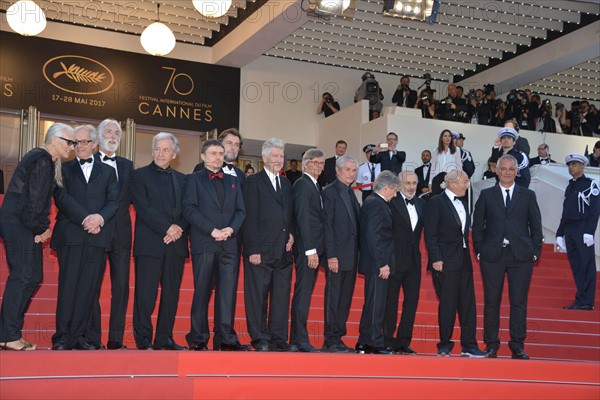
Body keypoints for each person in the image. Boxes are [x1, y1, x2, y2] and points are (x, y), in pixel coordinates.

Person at [0, 123, 75, 351]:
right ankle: (6, 335)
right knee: (23, 275)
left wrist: (39, 227)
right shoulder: (42, 158)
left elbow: (38, 200)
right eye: (68, 141)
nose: (72, 147)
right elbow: (34, 200)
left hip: (24, 223)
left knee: (33, 276)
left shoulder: (46, 161)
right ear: (53, 139)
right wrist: (41, 229)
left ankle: (10, 332)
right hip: (18, 224)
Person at [51, 125, 119, 350]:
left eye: (84, 142)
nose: (79, 146)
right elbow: (62, 198)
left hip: (97, 238)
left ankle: (78, 338)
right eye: (75, 142)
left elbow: (113, 202)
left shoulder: (109, 172)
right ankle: (62, 337)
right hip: (71, 235)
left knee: (88, 290)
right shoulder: (63, 167)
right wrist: (86, 218)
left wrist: (99, 218)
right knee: (68, 287)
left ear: (94, 144)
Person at [473, 155, 543, 360]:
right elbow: (477, 227)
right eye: (503, 168)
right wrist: (479, 250)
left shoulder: (528, 195)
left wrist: (535, 251)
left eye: (511, 169)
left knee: (519, 302)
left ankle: (517, 345)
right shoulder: (486, 195)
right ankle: (491, 344)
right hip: (492, 256)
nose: (506, 172)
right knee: (491, 302)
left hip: (520, 256)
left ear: (517, 172)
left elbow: (536, 226)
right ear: (496, 170)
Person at [183, 140, 247, 351]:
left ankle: (226, 339)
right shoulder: (193, 179)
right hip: (205, 242)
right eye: (213, 153)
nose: (218, 157)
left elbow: (241, 211)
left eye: (221, 153)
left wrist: (230, 230)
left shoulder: (233, 180)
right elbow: (190, 210)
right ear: (202, 156)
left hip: (229, 244)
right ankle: (199, 338)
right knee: (202, 291)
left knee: (227, 293)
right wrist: (212, 230)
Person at [130, 132, 189, 350]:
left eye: (166, 150)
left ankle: (165, 338)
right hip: (150, 244)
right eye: (157, 149)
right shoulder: (138, 176)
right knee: (145, 294)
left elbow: (189, 209)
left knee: (171, 294)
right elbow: (144, 208)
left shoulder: (184, 179)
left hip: (176, 244)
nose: (161, 153)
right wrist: (168, 227)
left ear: (174, 154)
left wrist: (179, 228)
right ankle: (143, 338)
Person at [424, 170, 486, 358]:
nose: (468, 185)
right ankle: (444, 344)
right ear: (452, 182)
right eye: (465, 181)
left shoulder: (463, 202)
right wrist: (436, 259)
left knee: (468, 304)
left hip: (464, 259)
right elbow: (430, 233)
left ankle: (469, 345)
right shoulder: (436, 202)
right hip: (445, 261)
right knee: (448, 304)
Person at [243, 138, 295, 352]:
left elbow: (288, 214)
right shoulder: (253, 182)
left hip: (283, 250)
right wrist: (252, 249)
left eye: (281, 156)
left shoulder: (286, 183)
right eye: (274, 156)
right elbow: (249, 217)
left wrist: (291, 233)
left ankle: (278, 338)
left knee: (281, 297)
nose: (279, 159)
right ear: (264, 158)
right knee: (257, 296)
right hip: (261, 250)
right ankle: (259, 337)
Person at [87, 118, 133, 350]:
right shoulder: (87, 162)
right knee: (92, 285)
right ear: (98, 136)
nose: (113, 135)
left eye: (117, 132)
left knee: (121, 288)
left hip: (122, 234)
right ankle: (92, 337)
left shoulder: (127, 165)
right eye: (108, 131)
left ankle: (116, 339)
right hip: (95, 231)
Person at [355, 171, 400, 355]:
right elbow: (373, 236)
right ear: (387, 187)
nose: (396, 194)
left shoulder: (375, 202)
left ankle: (364, 341)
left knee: (373, 303)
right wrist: (382, 263)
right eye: (395, 190)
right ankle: (374, 342)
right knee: (376, 304)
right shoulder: (376, 204)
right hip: (377, 263)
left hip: (376, 262)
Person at [322, 155, 360, 353]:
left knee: (345, 299)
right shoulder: (329, 192)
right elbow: (327, 225)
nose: (351, 174)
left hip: (351, 256)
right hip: (336, 256)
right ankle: (331, 338)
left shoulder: (351, 192)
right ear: (337, 170)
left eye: (354, 171)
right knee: (333, 297)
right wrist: (331, 255)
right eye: (347, 170)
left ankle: (337, 336)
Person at [290, 149, 326, 352]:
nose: (319, 166)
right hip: (307, 248)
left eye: (321, 163)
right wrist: (310, 250)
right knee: (303, 294)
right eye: (315, 163)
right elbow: (303, 218)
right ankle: (299, 339)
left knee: (305, 293)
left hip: (312, 248)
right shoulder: (303, 185)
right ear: (305, 164)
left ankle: (297, 339)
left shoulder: (315, 185)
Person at [383, 171, 424, 355]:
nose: (411, 186)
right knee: (390, 302)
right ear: (399, 184)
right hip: (394, 260)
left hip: (414, 261)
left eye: (414, 183)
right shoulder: (391, 202)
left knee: (411, 302)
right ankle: (387, 341)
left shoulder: (422, 204)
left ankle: (403, 342)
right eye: (407, 183)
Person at [556, 153, 599, 311]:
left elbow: (595, 210)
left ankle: (587, 301)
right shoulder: (570, 186)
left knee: (586, 265)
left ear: (582, 166)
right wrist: (560, 233)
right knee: (576, 266)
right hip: (570, 229)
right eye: (569, 164)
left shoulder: (590, 184)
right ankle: (580, 299)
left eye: (574, 164)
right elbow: (565, 212)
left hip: (583, 229)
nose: (571, 167)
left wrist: (589, 231)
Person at [429, 129, 462, 195]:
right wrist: (430, 183)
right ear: (441, 138)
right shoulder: (436, 150)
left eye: (449, 136)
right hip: (437, 179)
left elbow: (459, 166)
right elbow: (433, 167)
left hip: (451, 179)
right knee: (438, 201)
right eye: (445, 136)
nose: (448, 138)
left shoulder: (456, 150)